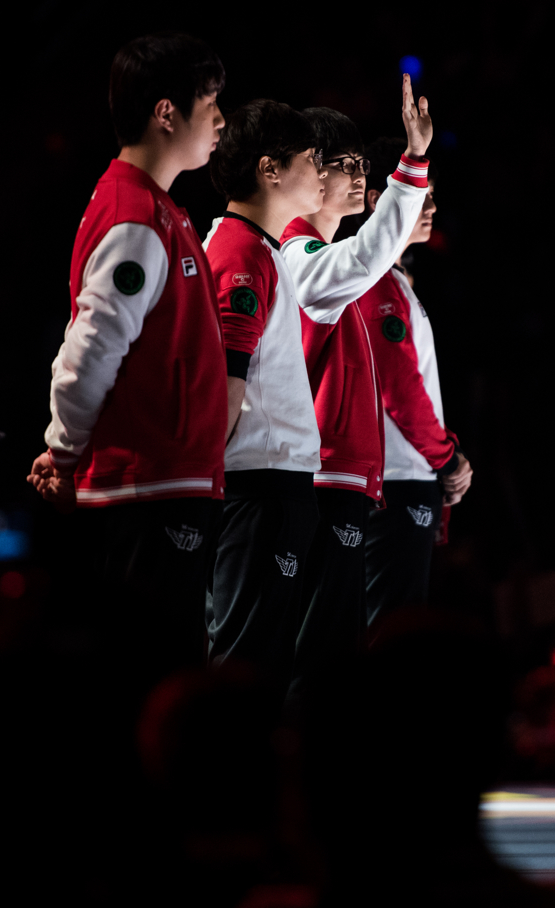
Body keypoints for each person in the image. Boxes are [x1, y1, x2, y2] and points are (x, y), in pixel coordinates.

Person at [27, 33, 227, 680]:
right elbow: (88, 352)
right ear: (167, 113)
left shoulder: (161, 209)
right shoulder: (137, 218)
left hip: (169, 482)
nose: (221, 119)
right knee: (152, 678)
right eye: (210, 102)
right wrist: (64, 451)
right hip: (152, 488)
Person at [279, 75, 433, 690]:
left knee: (334, 652)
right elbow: (366, 256)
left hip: (340, 479)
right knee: (322, 659)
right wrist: (413, 163)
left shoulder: (316, 258)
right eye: (343, 164)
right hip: (321, 479)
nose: (358, 175)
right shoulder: (298, 256)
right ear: (309, 173)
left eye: (361, 163)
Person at [202, 101, 327, 683]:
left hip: (268, 487)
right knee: (246, 667)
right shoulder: (240, 251)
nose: (322, 173)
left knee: (263, 664)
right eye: (311, 159)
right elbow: (227, 379)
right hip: (259, 488)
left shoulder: (257, 248)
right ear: (269, 170)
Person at [354, 137, 472, 627]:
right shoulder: (376, 280)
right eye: (422, 193)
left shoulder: (393, 279)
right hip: (399, 480)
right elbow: (399, 391)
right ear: (381, 201)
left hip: (403, 477)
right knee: (391, 633)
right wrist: (447, 457)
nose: (433, 206)